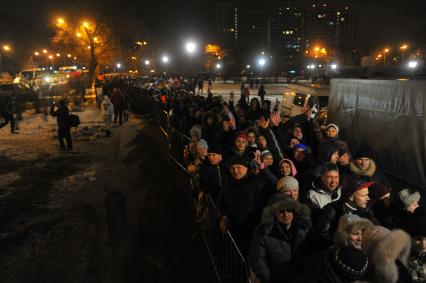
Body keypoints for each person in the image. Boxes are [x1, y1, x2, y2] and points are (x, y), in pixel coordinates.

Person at [250, 197, 311, 283]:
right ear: (274, 214)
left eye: (289, 210)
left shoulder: (303, 230)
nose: (286, 215)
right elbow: (258, 259)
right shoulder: (263, 232)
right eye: (281, 212)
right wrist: (267, 278)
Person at [217, 156, 267, 255]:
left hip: (251, 231)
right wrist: (223, 216)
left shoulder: (257, 183)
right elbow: (221, 203)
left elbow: (261, 206)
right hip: (233, 230)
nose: (235, 171)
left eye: (238, 167)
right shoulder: (228, 184)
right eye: (232, 168)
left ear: (246, 168)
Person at [316, 178, 376, 243]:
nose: (368, 198)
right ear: (351, 197)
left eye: (367, 194)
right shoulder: (332, 209)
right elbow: (322, 234)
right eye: (364, 195)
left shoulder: (367, 211)